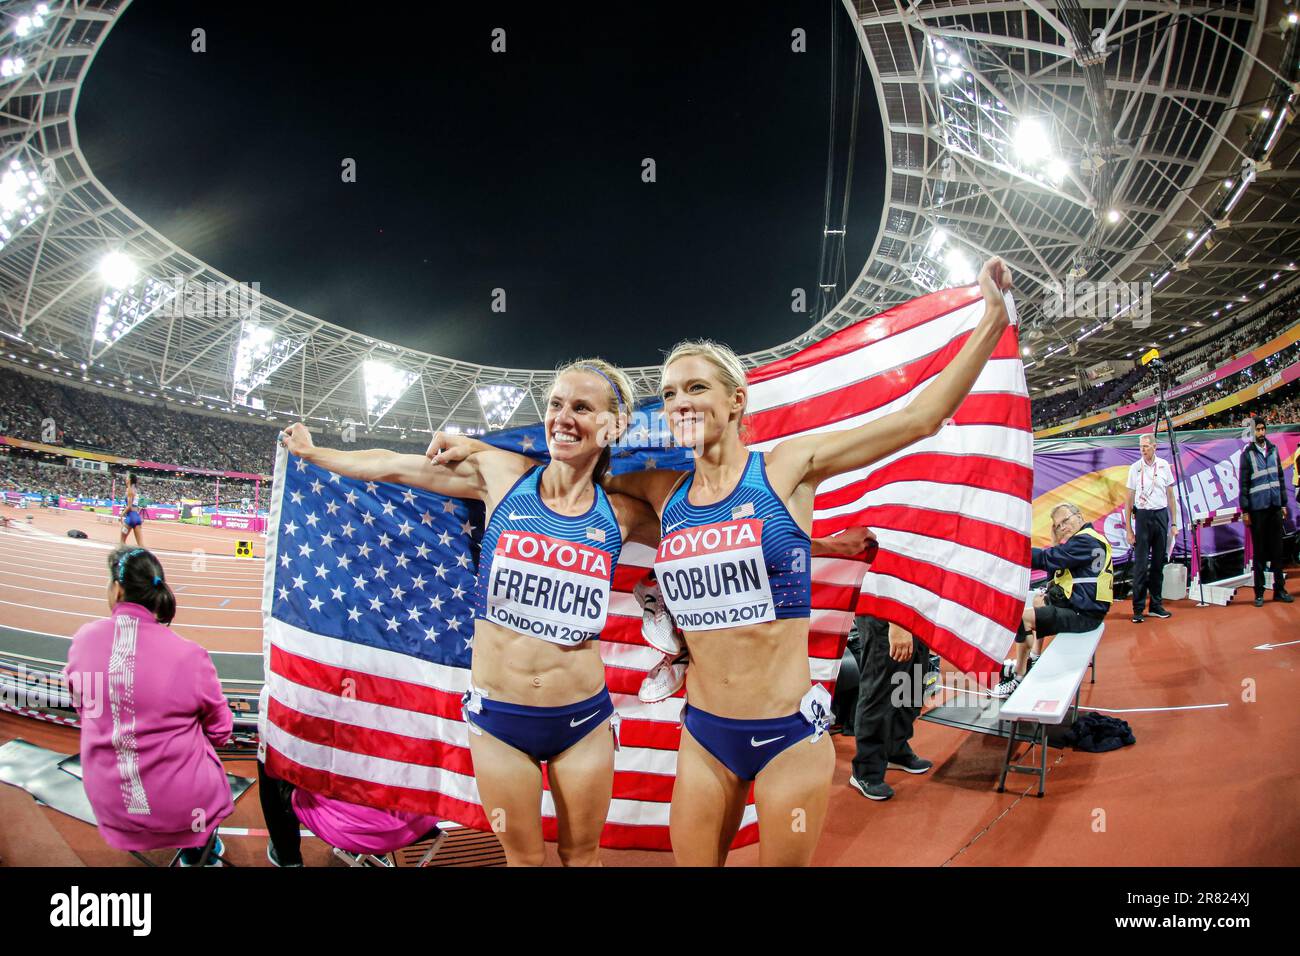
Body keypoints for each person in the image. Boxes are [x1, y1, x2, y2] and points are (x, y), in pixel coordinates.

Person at [587, 257, 1013, 865]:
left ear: (737, 401)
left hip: (788, 731)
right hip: (705, 732)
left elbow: (919, 420)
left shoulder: (786, 467)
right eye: (670, 392)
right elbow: (568, 486)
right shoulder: (662, 493)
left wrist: (992, 321)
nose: (679, 400)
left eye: (696, 387)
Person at [282, 359, 660, 867]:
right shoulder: (502, 475)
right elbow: (395, 466)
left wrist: (800, 546)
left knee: (581, 858)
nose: (563, 417)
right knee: (523, 860)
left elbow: (705, 535)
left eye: (582, 408)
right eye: (555, 404)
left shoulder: (622, 513)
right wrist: (315, 453)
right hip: (500, 719)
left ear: (613, 425)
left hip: (584, 719)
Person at [64, 547, 234, 865]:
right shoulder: (190, 655)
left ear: (117, 589)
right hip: (186, 809)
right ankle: (198, 851)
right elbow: (222, 731)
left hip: (110, 807)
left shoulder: (83, 640)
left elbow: (83, 708)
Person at [991, 501, 1112, 699]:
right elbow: (1056, 567)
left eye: (1065, 521)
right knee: (1040, 601)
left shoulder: (1084, 542)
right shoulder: (1091, 538)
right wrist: (1056, 542)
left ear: (1079, 516)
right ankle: (1035, 657)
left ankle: (1018, 679)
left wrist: (1013, 551)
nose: (1063, 527)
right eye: (1058, 525)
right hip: (1086, 607)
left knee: (1022, 619)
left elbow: (1048, 559)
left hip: (1085, 615)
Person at [257, 762, 441, 867]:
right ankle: (370, 854)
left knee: (269, 757)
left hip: (359, 830)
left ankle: (287, 857)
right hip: (424, 818)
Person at [848, 616, 932, 801]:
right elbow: (886, 585)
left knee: (913, 685)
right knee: (879, 690)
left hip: (916, 608)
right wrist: (898, 621)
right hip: (887, 612)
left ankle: (896, 748)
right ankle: (866, 770)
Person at [1237, 418, 1293, 606]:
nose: (1261, 433)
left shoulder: (1274, 450)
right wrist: (1245, 510)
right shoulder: (1247, 454)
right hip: (1257, 509)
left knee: (1278, 551)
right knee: (1260, 553)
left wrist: (1283, 503)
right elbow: (1243, 484)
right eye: (1258, 430)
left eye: (1263, 429)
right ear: (1253, 433)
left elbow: (1280, 478)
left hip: (1275, 507)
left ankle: (1280, 590)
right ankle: (1259, 593)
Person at [1124, 433, 1178, 622]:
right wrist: (1129, 530)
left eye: (1146, 446)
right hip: (1143, 517)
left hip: (1161, 516)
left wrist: (1173, 523)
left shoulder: (1164, 466)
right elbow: (1128, 500)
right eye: (1140, 447)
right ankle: (1138, 609)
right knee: (1140, 565)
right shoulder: (1135, 468)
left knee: (1158, 564)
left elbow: (1171, 496)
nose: (1143, 449)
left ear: (1154, 446)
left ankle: (1155, 605)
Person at [119, 472, 144, 546]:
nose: (125, 480)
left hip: (130, 518)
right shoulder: (135, 490)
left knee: (122, 542)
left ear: (129, 480)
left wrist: (121, 515)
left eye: (127, 478)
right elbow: (136, 507)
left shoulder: (129, 490)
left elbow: (129, 506)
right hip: (137, 518)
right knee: (140, 545)